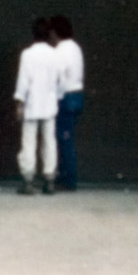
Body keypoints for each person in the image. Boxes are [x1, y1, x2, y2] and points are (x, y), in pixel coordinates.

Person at [13, 17, 62, 195]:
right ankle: (49, 178)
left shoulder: (27, 54)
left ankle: (28, 179)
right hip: (49, 102)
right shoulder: (55, 54)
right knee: (49, 141)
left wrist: (19, 102)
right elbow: (59, 80)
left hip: (32, 103)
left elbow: (23, 81)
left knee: (28, 141)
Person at [51, 15, 85, 189]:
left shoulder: (60, 50)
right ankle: (67, 176)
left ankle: (68, 178)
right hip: (77, 95)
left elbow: (59, 77)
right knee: (67, 137)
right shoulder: (75, 47)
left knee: (63, 138)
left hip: (65, 97)